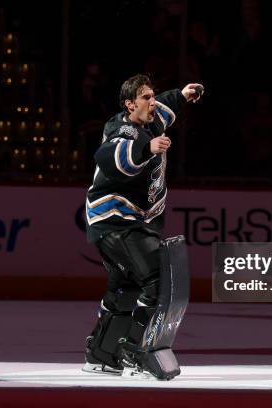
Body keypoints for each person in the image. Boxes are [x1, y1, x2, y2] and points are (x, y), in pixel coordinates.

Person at [83, 74, 203, 379]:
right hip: (116, 221)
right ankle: (135, 352)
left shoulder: (151, 119)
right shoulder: (121, 130)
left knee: (125, 286)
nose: (153, 102)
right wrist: (147, 148)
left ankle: (103, 354)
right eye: (146, 97)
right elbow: (109, 157)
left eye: (152, 96)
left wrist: (183, 94)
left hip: (129, 221)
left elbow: (165, 105)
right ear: (129, 104)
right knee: (156, 279)